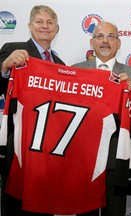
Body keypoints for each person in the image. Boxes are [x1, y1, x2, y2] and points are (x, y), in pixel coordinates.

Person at [0, 5, 65, 216]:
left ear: (57, 28)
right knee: (16, 205)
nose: (45, 26)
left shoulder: (61, 64)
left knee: (43, 205)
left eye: (49, 23)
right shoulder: (13, 49)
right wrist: (4, 68)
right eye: (39, 22)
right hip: (19, 145)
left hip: (50, 151)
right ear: (29, 26)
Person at [72, 21, 131, 216]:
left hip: (116, 156)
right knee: (85, 211)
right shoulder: (76, 70)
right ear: (91, 42)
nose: (105, 41)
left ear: (119, 43)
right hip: (84, 156)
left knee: (115, 211)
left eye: (111, 37)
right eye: (100, 36)